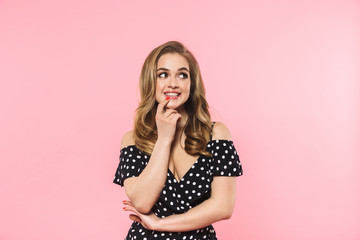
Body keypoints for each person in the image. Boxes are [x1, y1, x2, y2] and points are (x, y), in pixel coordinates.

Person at [113, 41, 243, 239]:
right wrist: (164, 138)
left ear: (192, 83)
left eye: (182, 75)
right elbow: (142, 202)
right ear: (151, 81)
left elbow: (223, 207)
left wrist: (160, 224)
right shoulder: (132, 139)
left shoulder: (216, 134)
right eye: (162, 74)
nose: (173, 83)